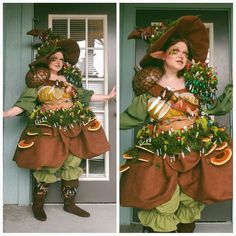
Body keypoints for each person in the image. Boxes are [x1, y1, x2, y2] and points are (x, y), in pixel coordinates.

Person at [120, 16, 232, 233]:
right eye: (176, 51)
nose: (182, 56)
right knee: (163, 199)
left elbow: (217, 108)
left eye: (185, 53)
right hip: (160, 152)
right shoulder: (150, 89)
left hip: (194, 148)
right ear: (161, 55)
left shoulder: (194, 85)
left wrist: (232, 89)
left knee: (189, 199)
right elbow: (131, 117)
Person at [3, 29, 116, 221]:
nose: (58, 62)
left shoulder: (68, 80)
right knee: (47, 163)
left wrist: (107, 97)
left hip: (72, 126)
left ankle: (69, 204)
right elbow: (24, 104)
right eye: (54, 58)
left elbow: (84, 95)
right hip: (49, 129)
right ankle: (38, 206)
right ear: (46, 59)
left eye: (62, 60)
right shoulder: (37, 82)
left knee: (73, 161)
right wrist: (6, 114)